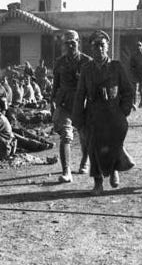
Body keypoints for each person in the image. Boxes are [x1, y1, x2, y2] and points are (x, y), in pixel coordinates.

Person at [73, 31, 135, 195]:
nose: (99, 49)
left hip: (114, 114)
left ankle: (114, 169)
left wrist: (123, 111)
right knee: (93, 149)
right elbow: (80, 95)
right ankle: (98, 183)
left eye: (102, 45)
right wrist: (78, 120)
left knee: (114, 144)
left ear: (107, 47)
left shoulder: (116, 67)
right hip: (94, 115)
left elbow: (128, 91)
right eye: (95, 46)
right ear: (91, 49)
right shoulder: (86, 69)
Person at [52, 29, 92, 183]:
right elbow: (56, 85)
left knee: (85, 137)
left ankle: (84, 161)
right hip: (64, 103)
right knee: (65, 136)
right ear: (63, 45)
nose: (70, 46)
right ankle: (66, 171)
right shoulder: (59, 62)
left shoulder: (87, 62)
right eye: (66, 43)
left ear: (78, 43)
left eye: (73, 43)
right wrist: (52, 102)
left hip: (83, 104)